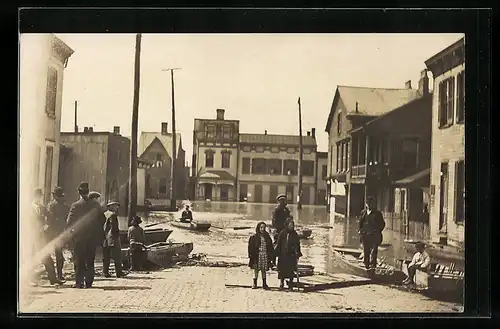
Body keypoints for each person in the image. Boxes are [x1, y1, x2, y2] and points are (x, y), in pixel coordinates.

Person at [66, 182, 106, 288]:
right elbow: (103, 219)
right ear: (88, 192)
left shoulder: (76, 205)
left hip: (79, 238)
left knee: (79, 260)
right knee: (90, 260)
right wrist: (96, 230)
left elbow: (69, 222)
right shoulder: (95, 205)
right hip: (92, 238)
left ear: (79, 192)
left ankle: (79, 283)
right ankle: (89, 282)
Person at [32, 188, 63, 285]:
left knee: (47, 257)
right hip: (29, 236)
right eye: (38, 196)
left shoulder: (42, 208)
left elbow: (50, 216)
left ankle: (53, 279)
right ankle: (28, 279)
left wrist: (47, 225)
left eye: (40, 196)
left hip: (41, 236)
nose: (40, 198)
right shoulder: (28, 207)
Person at [46, 187, 70, 281]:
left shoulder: (51, 205)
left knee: (47, 253)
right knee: (59, 254)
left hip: (52, 232)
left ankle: (52, 275)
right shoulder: (66, 206)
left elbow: (49, 219)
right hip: (61, 232)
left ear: (55, 195)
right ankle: (59, 274)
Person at [358, 196, 386, 270]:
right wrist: (360, 231)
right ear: (366, 204)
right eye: (368, 203)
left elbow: (382, 224)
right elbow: (360, 223)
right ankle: (366, 266)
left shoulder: (377, 213)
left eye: (371, 203)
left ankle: (373, 266)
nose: (369, 205)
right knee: (366, 250)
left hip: (374, 235)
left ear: (373, 204)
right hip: (365, 235)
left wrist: (377, 231)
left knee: (374, 251)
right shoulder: (363, 212)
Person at [274, 218, 302, 290]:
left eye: (292, 225)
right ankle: (282, 283)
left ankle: (290, 283)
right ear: (287, 225)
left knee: (291, 270)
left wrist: (298, 253)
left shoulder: (295, 234)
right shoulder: (282, 233)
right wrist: (276, 253)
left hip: (291, 255)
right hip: (283, 255)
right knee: (282, 270)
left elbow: (297, 244)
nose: (291, 226)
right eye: (290, 225)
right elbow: (279, 243)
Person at [103, 201, 126, 278]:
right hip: (113, 237)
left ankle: (105, 272)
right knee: (117, 255)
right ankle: (119, 273)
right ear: (110, 206)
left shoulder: (104, 214)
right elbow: (114, 227)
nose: (117, 208)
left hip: (105, 238)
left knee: (106, 256)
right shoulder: (113, 215)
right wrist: (117, 236)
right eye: (115, 206)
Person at [247, 221, 274, 290]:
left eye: (264, 228)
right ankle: (254, 283)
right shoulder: (254, 237)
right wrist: (251, 256)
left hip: (265, 255)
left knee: (263, 270)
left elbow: (270, 247)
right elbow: (251, 247)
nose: (262, 229)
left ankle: (264, 284)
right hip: (257, 255)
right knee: (256, 270)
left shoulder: (267, 237)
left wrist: (271, 256)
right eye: (261, 227)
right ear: (258, 228)